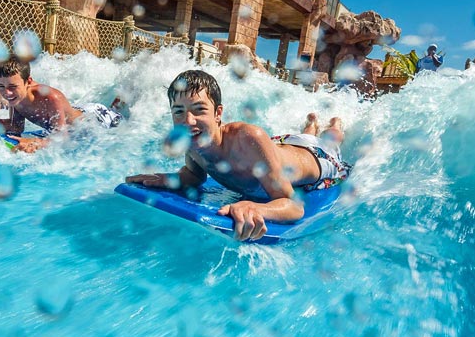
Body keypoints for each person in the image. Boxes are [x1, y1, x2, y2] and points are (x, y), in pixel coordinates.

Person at [125, 70, 351, 241]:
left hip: (318, 157)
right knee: (305, 135)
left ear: (218, 113)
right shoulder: (192, 139)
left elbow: (294, 206)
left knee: (328, 139)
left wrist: (257, 208)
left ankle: (334, 124)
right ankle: (310, 126)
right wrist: (170, 179)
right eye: (179, 112)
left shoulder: (246, 139)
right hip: (279, 147)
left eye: (199, 110)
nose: (188, 121)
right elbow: (195, 176)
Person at [0, 57, 121, 153]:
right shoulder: (16, 98)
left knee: (118, 117)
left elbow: (62, 139)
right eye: (1, 87)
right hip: (74, 113)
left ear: (28, 82)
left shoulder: (50, 97)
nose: (7, 93)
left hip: (96, 118)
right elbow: (16, 127)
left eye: (12, 87)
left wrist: (35, 142)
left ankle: (119, 101)